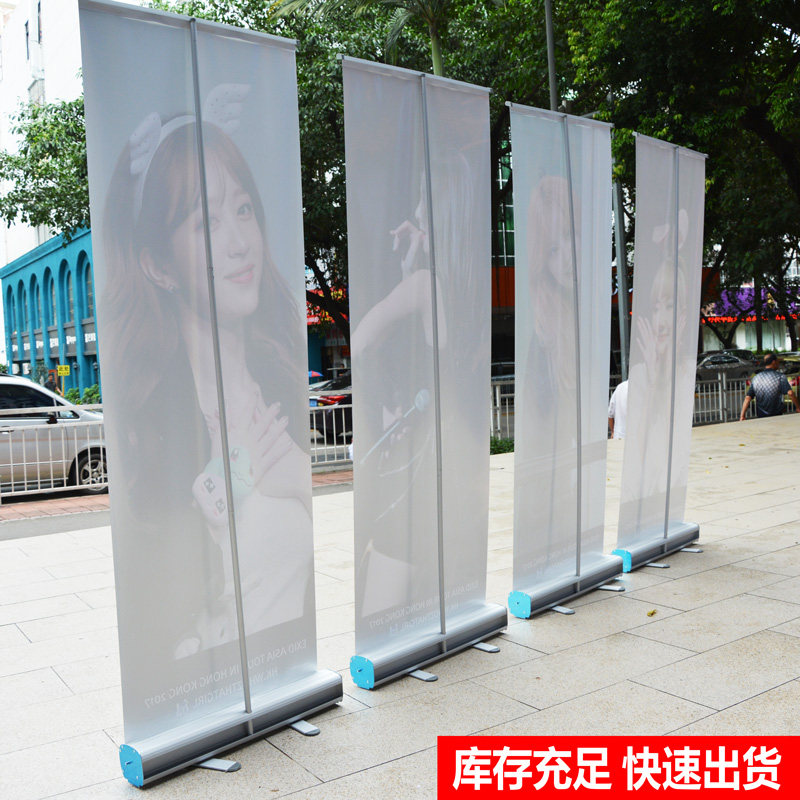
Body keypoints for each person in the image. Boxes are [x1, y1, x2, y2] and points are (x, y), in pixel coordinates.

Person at [102, 108, 312, 663]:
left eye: (243, 209)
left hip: (286, 673)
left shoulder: (280, 380)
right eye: (207, 223)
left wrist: (296, 475)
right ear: (159, 267)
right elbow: (162, 623)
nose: (240, 242)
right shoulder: (155, 424)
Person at [740, 353, 800, 419]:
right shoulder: (780, 376)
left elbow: (748, 398)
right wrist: (798, 407)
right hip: (776, 414)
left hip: (761, 414)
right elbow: (790, 393)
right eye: (778, 362)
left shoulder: (756, 378)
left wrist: (742, 415)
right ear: (774, 362)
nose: (778, 364)